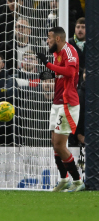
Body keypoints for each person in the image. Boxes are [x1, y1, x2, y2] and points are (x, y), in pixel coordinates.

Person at [35, 26, 85, 192]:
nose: (47, 41)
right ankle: (64, 180)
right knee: (55, 144)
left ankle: (78, 181)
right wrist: (50, 74)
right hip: (57, 103)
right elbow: (61, 74)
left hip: (67, 103)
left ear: (57, 38)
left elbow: (70, 72)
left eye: (48, 37)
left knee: (59, 145)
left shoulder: (69, 51)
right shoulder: (56, 54)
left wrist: (47, 63)